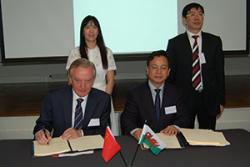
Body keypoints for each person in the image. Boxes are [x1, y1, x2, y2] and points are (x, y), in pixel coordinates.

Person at [166, 3, 225, 130]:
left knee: (208, 137)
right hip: (184, 99)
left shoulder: (214, 41)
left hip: (209, 98)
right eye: (192, 14)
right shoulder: (174, 43)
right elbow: (170, 75)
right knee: (185, 136)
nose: (197, 17)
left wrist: (221, 101)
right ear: (184, 20)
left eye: (200, 14)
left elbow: (220, 73)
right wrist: (170, 100)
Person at [33, 58, 111, 145]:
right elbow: (42, 124)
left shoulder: (103, 99)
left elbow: (104, 129)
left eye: (88, 81)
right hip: (61, 147)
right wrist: (41, 132)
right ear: (70, 79)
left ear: (93, 80)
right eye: (78, 80)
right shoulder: (53, 98)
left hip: (90, 147)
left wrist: (80, 133)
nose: (83, 86)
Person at [121, 50, 189, 141]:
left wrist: (175, 127)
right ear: (147, 70)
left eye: (163, 68)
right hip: (144, 142)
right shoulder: (135, 93)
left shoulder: (176, 92)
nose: (159, 72)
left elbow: (184, 117)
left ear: (168, 72)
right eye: (154, 67)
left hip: (170, 140)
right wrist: (136, 131)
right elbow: (127, 120)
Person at [66, 15, 117, 134]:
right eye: (87, 27)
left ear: (98, 31)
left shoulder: (107, 51)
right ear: (82, 31)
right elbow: (70, 80)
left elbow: (110, 81)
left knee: (103, 133)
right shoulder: (75, 52)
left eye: (94, 27)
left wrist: (103, 101)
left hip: (103, 98)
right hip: (81, 98)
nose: (91, 31)